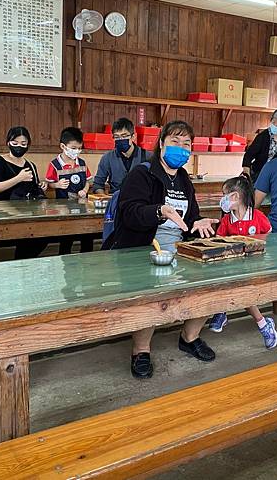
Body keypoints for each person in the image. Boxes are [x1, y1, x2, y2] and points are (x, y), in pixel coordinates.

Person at [103, 120, 220, 379]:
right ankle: (141, 350)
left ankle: (190, 338)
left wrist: (196, 223)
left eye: (186, 144)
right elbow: (130, 212)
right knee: (153, 292)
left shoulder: (184, 180)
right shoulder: (142, 174)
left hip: (177, 247)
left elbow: (188, 220)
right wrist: (159, 211)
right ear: (161, 144)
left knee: (212, 281)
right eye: (175, 142)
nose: (181, 148)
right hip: (144, 246)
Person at [208, 175, 277, 349]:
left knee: (240, 291)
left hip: (253, 267)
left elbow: (269, 235)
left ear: (235, 197)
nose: (221, 199)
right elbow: (219, 242)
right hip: (232, 267)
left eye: (224, 195)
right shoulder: (226, 220)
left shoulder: (258, 217)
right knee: (233, 287)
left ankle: (223, 311)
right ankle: (262, 324)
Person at [0, 126, 49, 259]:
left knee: (44, 234)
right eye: (15, 143)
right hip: (4, 210)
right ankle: (21, 263)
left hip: (26, 211)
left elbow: (33, 188)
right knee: (28, 235)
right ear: (8, 142)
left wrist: (41, 186)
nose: (19, 147)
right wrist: (18, 178)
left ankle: (24, 262)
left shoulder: (30, 164)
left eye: (23, 144)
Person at [46, 127, 94, 254]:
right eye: (73, 148)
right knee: (67, 238)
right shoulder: (54, 164)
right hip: (64, 208)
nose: (77, 151)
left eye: (79, 148)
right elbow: (50, 184)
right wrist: (58, 185)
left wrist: (84, 190)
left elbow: (88, 182)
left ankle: (87, 260)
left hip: (83, 207)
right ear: (63, 146)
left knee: (87, 236)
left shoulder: (82, 163)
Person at [93, 117, 152, 195]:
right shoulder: (107, 158)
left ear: (133, 137)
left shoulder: (148, 156)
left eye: (124, 136)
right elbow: (98, 185)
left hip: (141, 200)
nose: (121, 139)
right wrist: (104, 198)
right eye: (117, 137)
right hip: (116, 199)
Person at [242, 107, 277, 181]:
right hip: (259, 174)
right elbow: (249, 155)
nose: (275, 126)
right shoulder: (263, 136)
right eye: (273, 122)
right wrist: (247, 173)